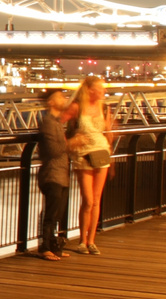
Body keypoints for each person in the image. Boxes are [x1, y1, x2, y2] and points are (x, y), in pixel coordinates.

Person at [67, 75, 113, 255]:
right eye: (100, 87)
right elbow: (64, 127)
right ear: (90, 90)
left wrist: (111, 147)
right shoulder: (77, 107)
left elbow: (107, 130)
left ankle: (91, 241)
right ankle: (81, 240)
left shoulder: (104, 107)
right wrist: (71, 141)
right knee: (88, 200)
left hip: (101, 152)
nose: (104, 91)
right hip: (83, 155)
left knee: (96, 200)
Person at [35, 89, 73, 261]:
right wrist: (72, 143)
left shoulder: (57, 122)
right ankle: (44, 248)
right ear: (50, 102)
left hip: (61, 174)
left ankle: (54, 247)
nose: (63, 98)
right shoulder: (49, 123)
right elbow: (54, 150)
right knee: (50, 214)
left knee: (57, 213)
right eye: (59, 96)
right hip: (51, 174)